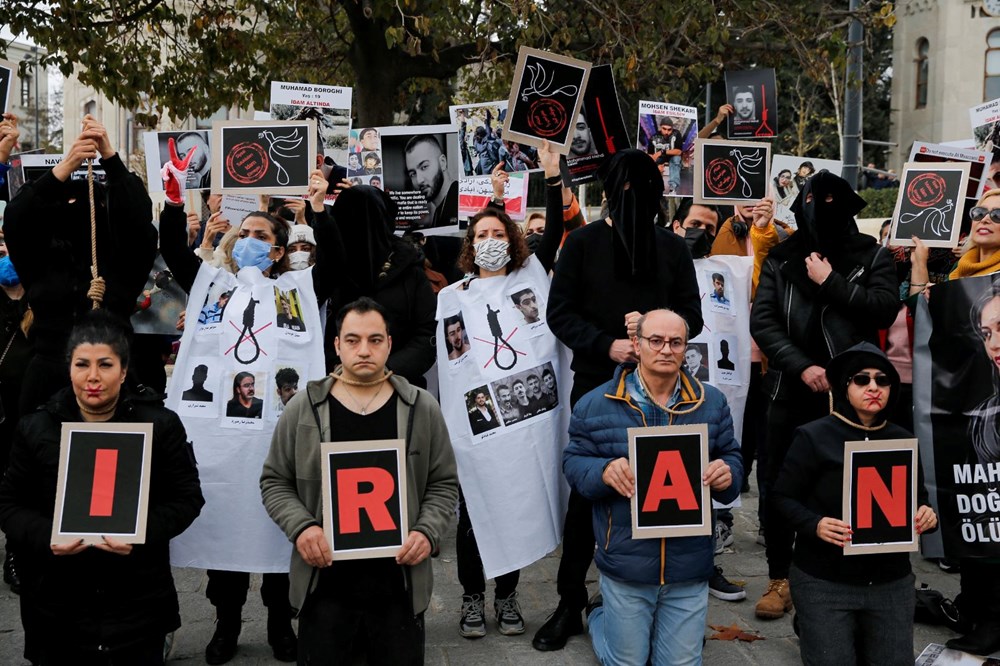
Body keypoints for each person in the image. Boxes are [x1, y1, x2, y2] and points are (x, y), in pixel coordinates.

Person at [538, 148, 703, 651]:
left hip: (666, 391)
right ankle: (571, 598)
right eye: (624, 190)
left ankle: (656, 592)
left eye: (642, 190)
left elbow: (692, 316)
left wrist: (657, 332)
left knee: (665, 487)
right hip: (598, 386)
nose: (633, 199)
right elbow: (559, 312)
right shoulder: (583, 244)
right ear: (610, 193)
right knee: (591, 487)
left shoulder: (671, 250)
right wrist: (604, 343)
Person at [261, 297, 458, 665]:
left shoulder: (420, 407)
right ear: (336, 345)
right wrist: (302, 528)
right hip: (325, 588)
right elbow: (275, 481)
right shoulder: (304, 407)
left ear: (389, 344)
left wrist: (427, 531)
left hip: (398, 587)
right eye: (352, 340)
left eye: (375, 340)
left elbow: (443, 483)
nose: (363, 350)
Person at [0, 311, 204, 665]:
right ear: (69, 369)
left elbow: (187, 498)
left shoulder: (160, 424)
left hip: (137, 601)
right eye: (82, 364)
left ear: (123, 370)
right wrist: (47, 535)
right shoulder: (36, 427)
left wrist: (141, 533)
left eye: (105, 364)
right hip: (55, 603)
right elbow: (9, 504)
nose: (93, 377)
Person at [750, 171, 899, 620]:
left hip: (852, 394)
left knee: (843, 484)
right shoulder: (781, 258)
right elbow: (764, 321)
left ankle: (838, 578)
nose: (822, 208)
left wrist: (831, 280)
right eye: (815, 200)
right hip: (789, 389)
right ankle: (780, 578)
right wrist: (803, 365)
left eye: (833, 200)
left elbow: (883, 307)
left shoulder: (872, 256)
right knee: (778, 482)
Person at [437, 140, 568, 642]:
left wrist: (551, 178)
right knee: (475, 514)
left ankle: (507, 594)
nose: (490, 238)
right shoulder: (453, 296)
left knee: (515, 506)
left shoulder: (531, 274)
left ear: (511, 238)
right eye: (481, 232)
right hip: (481, 428)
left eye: (498, 231)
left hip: (528, 422)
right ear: (469, 243)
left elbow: (553, 232)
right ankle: (472, 596)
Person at [563, 308, 742, 666]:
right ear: (637, 344)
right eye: (656, 340)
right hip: (627, 560)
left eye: (676, 342)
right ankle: (599, 616)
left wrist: (728, 473)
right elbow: (573, 463)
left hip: (689, 563)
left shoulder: (712, 402)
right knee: (627, 661)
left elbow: (731, 456)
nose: (665, 349)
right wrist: (603, 470)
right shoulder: (596, 404)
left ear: (686, 347)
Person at [772, 343, 937, 665]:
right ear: (845, 387)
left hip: (891, 582)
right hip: (824, 580)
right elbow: (780, 498)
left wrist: (926, 514)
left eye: (882, 380)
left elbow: (919, 498)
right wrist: (814, 524)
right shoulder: (812, 436)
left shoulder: (902, 439)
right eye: (862, 379)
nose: (873, 387)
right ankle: (813, 623)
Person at [3, 114, 157, 412]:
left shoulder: (123, 261)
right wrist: (68, 165)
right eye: (68, 205)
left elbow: (139, 218)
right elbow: (17, 218)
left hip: (114, 382)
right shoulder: (40, 260)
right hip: (48, 382)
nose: (78, 212)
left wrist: (110, 157)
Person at [312, 185, 437, 385]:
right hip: (338, 387)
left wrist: (384, 371)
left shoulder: (410, 272)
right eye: (350, 217)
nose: (360, 227)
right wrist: (340, 370)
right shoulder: (332, 271)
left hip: (398, 388)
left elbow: (427, 333)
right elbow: (311, 326)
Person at [404, 134, 458, 228]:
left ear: (442, 163)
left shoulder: (460, 201)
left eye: (424, 167)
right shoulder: (439, 212)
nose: (419, 180)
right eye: (413, 174)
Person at [644, 118, 683, 194]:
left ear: (672, 129)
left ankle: (673, 187)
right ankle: (654, 186)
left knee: (676, 159)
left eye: (669, 130)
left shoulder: (677, 134)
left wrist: (662, 152)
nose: (666, 132)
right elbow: (650, 154)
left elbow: (679, 152)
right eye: (664, 129)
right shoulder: (654, 137)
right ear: (660, 127)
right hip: (660, 158)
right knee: (650, 162)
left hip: (672, 156)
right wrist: (654, 164)